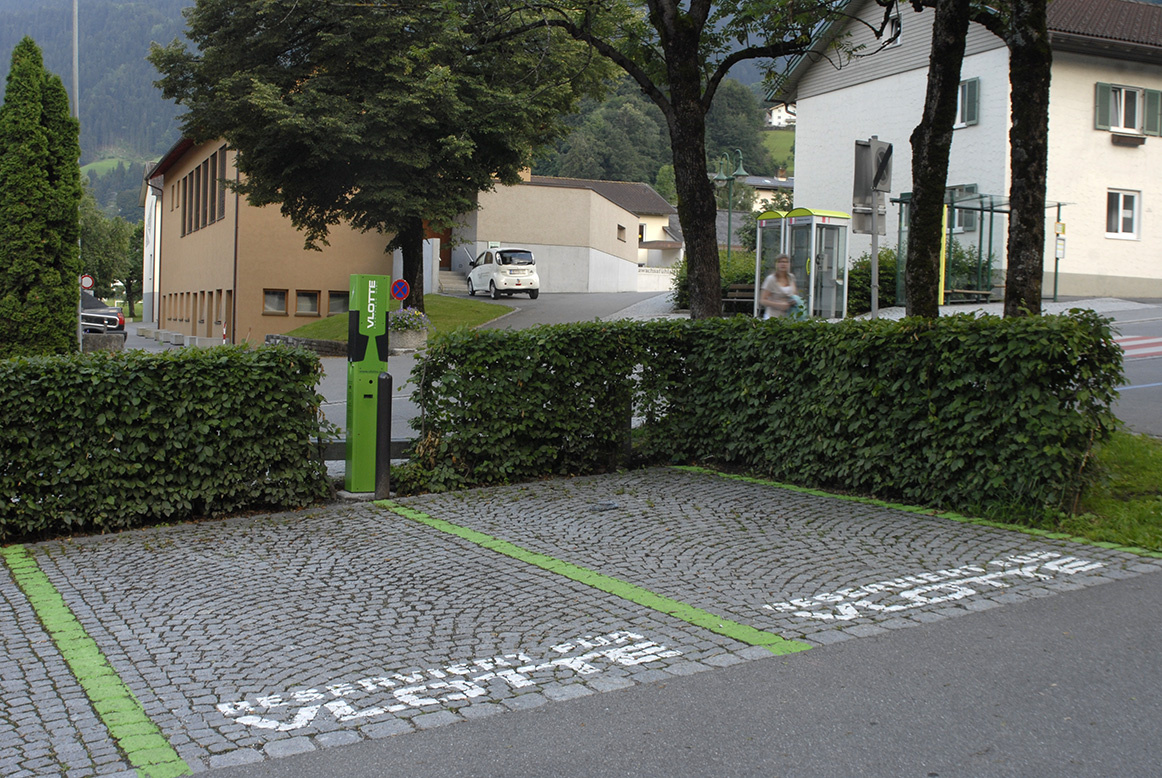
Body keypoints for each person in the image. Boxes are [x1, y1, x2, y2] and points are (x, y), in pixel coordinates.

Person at [759, 253, 798, 319]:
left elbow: (795, 294)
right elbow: (763, 300)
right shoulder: (771, 279)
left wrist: (794, 301)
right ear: (776, 264)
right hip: (773, 317)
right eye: (780, 262)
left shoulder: (791, 277)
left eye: (786, 262)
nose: (783, 264)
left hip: (788, 317)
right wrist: (779, 305)